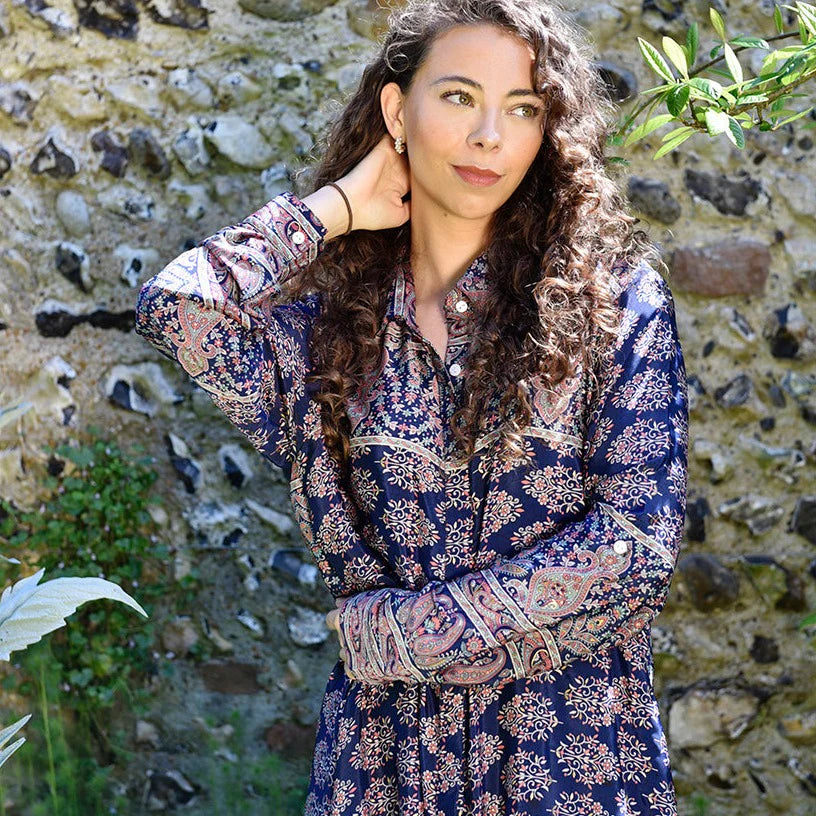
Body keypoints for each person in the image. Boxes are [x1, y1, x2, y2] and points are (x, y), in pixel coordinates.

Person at [134, 0, 689, 812]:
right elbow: (176, 304)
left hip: (573, 760)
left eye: (523, 108)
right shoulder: (322, 334)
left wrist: (404, 634)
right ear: (398, 109)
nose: (490, 137)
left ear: (548, 130)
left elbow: (637, 546)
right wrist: (337, 208)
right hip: (383, 767)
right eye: (459, 97)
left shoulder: (615, 304)